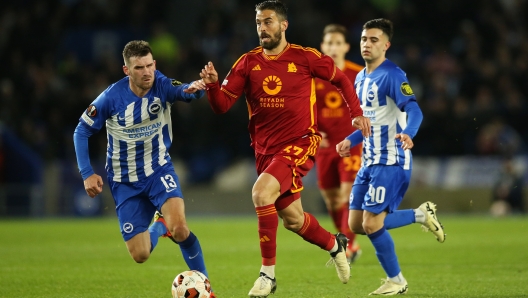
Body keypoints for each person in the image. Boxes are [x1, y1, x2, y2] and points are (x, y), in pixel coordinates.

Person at [200, 1, 371, 297]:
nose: (262, 28)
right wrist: (214, 87)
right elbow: (222, 106)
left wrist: (355, 112)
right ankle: (335, 244)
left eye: (268, 22)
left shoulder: (305, 57)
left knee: (260, 192)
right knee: (293, 219)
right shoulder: (247, 62)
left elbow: (341, 78)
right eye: (258, 23)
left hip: (300, 143)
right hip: (265, 151)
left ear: (283, 25)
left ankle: (268, 276)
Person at [73, 40, 216, 297]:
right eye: (139, 67)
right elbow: (81, 130)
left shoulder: (161, 85)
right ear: (127, 70)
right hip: (124, 181)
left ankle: (208, 289)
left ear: (155, 64)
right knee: (140, 255)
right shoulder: (111, 98)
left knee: (181, 228)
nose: (147, 72)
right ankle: (160, 225)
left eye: (150, 65)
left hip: (158, 170)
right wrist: (87, 173)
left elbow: (184, 91)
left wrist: (197, 88)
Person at [336, 18, 446, 295]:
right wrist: (350, 140)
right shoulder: (360, 78)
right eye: (363, 39)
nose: (367, 44)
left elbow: (415, 110)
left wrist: (409, 133)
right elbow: (368, 123)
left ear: (386, 45)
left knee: (373, 222)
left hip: (392, 159)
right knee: (355, 224)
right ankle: (420, 214)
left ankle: (396, 281)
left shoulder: (394, 75)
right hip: (368, 161)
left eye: (374, 40)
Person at [315, 24, 364, 264]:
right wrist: (312, 131)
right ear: (323, 47)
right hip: (324, 148)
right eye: (329, 43)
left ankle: (346, 244)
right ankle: (350, 243)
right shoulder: (313, 77)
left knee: (347, 195)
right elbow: (303, 108)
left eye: (338, 43)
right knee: (332, 200)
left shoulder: (358, 74)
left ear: (345, 47)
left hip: (352, 144)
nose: (333, 47)